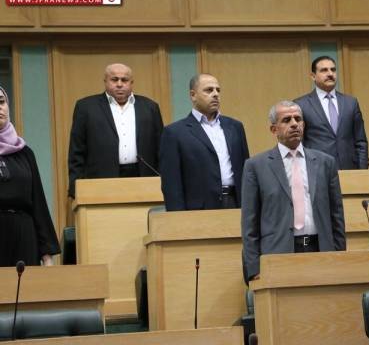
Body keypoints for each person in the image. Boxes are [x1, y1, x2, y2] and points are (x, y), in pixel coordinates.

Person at [241, 100, 346, 283]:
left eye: (298, 119)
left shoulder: (325, 163)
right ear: (274, 129)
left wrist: (340, 255)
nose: (294, 124)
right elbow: (249, 222)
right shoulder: (256, 166)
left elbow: (337, 215)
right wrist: (253, 267)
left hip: (320, 250)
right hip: (278, 253)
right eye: (286, 120)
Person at [68, 63, 163, 197]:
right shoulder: (86, 108)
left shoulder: (150, 107)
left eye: (124, 80)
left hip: (143, 177)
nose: (119, 84)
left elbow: (161, 148)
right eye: (114, 79)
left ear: (131, 83)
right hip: (101, 180)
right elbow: (76, 151)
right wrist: (75, 188)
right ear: (105, 81)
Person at [160, 74, 249, 211]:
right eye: (209, 90)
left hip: (235, 203)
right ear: (193, 95)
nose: (215, 94)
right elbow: (171, 183)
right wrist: (177, 217)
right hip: (198, 208)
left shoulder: (235, 127)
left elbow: (245, 170)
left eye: (218, 90)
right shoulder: (175, 132)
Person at [0, 86, 60, 267]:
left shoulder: (25, 153)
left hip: (24, 235)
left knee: (26, 285)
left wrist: (47, 255)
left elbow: (38, 203)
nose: (0, 108)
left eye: (1, 102)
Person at [294, 56, 369, 169]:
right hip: (317, 169)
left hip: (349, 169)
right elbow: (298, 143)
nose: (330, 74)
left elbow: (361, 142)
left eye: (333, 70)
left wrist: (362, 171)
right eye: (324, 70)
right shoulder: (301, 104)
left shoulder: (351, 103)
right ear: (313, 76)